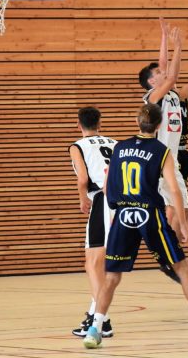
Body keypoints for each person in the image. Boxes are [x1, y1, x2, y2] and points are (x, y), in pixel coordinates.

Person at [82, 104, 188, 349]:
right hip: (149, 214)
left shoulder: (119, 147)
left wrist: (117, 210)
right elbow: (174, 189)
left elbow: (108, 186)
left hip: (123, 214)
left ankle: (94, 329)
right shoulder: (161, 150)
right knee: (181, 267)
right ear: (160, 125)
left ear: (137, 122)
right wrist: (184, 225)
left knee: (112, 276)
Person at [138, 20, 188, 240]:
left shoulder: (174, 95)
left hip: (172, 158)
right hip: (158, 158)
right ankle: (174, 242)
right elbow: (170, 76)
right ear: (152, 81)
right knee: (174, 209)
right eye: (158, 72)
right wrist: (177, 46)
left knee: (181, 210)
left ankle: (176, 243)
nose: (164, 70)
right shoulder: (152, 97)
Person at [68, 107, 117, 337]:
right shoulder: (116, 143)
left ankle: (101, 321)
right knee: (101, 264)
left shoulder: (77, 146)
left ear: (78, 124)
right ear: (100, 123)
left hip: (103, 200)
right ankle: (94, 316)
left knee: (93, 263)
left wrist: (82, 199)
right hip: (125, 202)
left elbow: (83, 179)